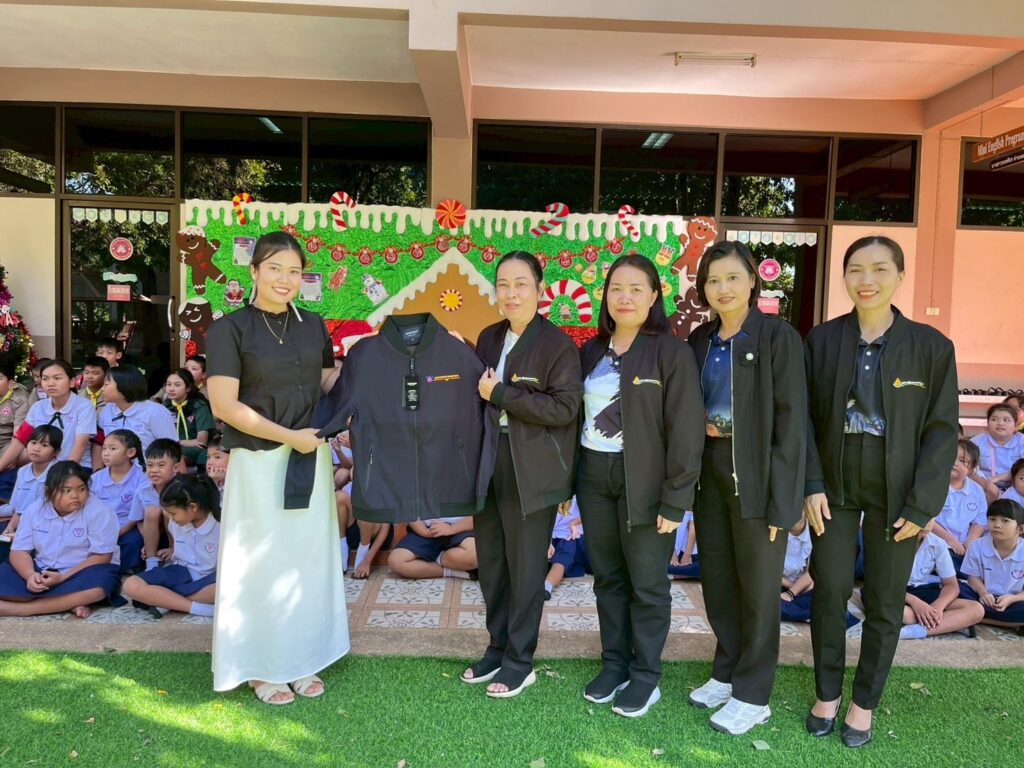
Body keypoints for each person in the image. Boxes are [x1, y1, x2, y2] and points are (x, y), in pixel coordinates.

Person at [803, 235, 958, 748]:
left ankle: (863, 703)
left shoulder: (931, 347)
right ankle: (827, 694)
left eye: (879, 269)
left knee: (885, 599)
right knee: (829, 589)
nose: (866, 280)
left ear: (900, 276)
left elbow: (941, 431)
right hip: (834, 482)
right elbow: (804, 420)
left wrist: (923, 503)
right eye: (855, 269)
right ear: (844, 276)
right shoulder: (822, 340)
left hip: (899, 490)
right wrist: (811, 483)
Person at [206, 231, 347, 705]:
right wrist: (289, 437)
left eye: (294, 271)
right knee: (261, 562)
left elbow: (326, 380)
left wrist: (377, 366)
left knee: (305, 560)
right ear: (254, 271)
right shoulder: (229, 329)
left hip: (310, 455)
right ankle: (261, 667)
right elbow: (224, 405)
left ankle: (303, 657)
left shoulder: (313, 325)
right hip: (260, 461)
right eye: (274, 269)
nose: (285, 279)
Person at [686, 241, 807, 734]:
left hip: (758, 473)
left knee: (758, 589)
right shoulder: (700, 339)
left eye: (732, 277)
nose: (723, 288)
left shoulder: (777, 336)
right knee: (717, 579)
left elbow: (792, 422)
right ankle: (727, 671)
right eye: (713, 280)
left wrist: (785, 501)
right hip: (710, 470)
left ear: (752, 281)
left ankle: (754, 695)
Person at [577, 253, 703, 719]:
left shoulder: (671, 352)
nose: (624, 297)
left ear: (653, 297)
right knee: (608, 578)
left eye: (635, 289)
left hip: (647, 483)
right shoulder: (591, 351)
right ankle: (614, 665)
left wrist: (676, 498)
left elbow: (687, 430)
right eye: (616, 288)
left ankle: (645, 675)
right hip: (594, 476)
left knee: (647, 583)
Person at [464, 251, 583, 699]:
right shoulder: (489, 336)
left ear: (539, 289)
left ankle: (519, 661)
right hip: (488, 462)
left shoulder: (557, 345)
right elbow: (474, 396)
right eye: (503, 284)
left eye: (520, 284)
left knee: (527, 569)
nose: (510, 293)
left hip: (532, 470)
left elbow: (564, 408)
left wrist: (502, 394)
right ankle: (496, 649)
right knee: (492, 565)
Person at [0, 461, 120, 618]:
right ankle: (68, 603)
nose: (75, 496)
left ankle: (25, 609)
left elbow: (102, 556)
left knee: (100, 586)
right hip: (41, 569)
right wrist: (30, 576)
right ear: (48, 492)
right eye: (67, 491)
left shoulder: (100, 511)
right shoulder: (34, 510)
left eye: (81, 489)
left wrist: (63, 577)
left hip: (82, 571)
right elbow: (19, 551)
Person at [122, 475, 219, 620]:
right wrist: (171, 550)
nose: (170, 518)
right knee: (131, 585)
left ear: (193, 507)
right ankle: (198, 608)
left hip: (210, 579)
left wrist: (157, 594)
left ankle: (165, 600)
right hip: (180, 572)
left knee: (228, 589)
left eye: (173, 513)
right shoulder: (175, 523)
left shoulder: (221, 526)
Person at [0, 360, 95, 473]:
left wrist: (64, 474)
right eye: (45, 379)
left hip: (75, 467)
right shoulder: (37, 407)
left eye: (57, 378)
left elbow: (81, 443)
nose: (50, 383)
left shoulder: (84, 406)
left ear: (72, 382)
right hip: (41, 467)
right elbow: (20, 440)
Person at [899, 528, 983, 639]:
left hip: (922, 590)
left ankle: (914, 631)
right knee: (903, 614)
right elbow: (879, 586)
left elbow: (951, 585)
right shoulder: (889, 541)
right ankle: (945, 623)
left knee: (976, 609)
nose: (925, 525)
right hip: (895, 593)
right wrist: (916, 603)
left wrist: (938, 607)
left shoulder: (937, 543)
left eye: (929, 520)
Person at [94, 365, 177, 467]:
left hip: (149, 472)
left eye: (106, 384)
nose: (102, 389)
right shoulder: (106, 411)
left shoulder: (156, 412)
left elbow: (172, 449)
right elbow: (99, 442)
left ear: (124, 385)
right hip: (116, 472)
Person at [89, 429, 147, 573]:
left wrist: (118, 532)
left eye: (112, 449)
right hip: (99, 528)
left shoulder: (141, 479)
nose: (105, 453)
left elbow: (136, 516)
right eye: (104, 448)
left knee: (133, 541)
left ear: (130, 452)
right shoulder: (95, 479)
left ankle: (124, 570)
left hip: (126, 527)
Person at [961, 499, 1024, 629]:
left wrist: (1011, 599)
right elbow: (973, 578)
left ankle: (975, 617)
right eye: (992, 519)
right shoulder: (977, 545)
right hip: (981, 597)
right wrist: (983, 593)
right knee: (954, 589)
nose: (997, 525)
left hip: (1015, 601)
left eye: (1005, 521)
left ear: (1020, 528)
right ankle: (1011, 623)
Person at [932, 439, 987, 573]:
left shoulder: (977, 490)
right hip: (937, 541)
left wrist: (970, 542)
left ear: (972, 468)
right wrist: (950, 540)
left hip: (964, 546)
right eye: (951, 456)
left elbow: (979, 522)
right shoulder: (933, 485)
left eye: (962, 461)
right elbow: (927, 520)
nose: (955, 462)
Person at [0, 425, 61, 534]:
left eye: (44, 445)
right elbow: (15, 506)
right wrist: (12, 525)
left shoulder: (59, 473)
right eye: (33, 443)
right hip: (21, 522)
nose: (36, 449)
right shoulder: (22, 471)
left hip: (46, 527)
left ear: (56, 452)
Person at [135, 439, 184, 571]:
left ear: (176, 468)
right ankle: (151, 561)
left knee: (168, 511)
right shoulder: (143, 490)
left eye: (161, 465)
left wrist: (174, 547)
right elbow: (138, 520)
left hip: (179, 536)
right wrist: (148, 542)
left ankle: (175, 553)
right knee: (151, 511)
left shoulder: (183, 488)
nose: (154, 470)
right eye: (150, 465)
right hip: (152, 534)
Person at [387, 517, 477, 580]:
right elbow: (410, 508)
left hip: (461, 527)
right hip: (427, 528)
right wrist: (424, 532)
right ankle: (452, 571)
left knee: (475, 555)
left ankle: (435, 557)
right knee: (396, 561)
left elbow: (480, 512)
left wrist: (452, 528)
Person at [162, 368, 216, 468]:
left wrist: (177, 442)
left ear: (188, 388)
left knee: (172, 456)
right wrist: (179, 442)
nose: (171, 389)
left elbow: (201, 441)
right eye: (168, 384)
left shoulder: (199, 406)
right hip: (170, 447)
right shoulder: (165, 407)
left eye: (177, 385)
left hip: (193, 450)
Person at [970, 404, 1024, 503]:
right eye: (994, 419)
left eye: (1006, 420)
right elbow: (970, 469)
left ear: (1016, 426)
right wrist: (986, 484)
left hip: (1017, 487)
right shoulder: (976, 442)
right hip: (986, 486)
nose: (1000, 423)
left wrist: (998, 478)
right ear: (987, 424)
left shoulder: (1022, 441)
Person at [545, 498, 589, 599]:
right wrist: (548, 541)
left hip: (569, 536)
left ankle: (547, 586)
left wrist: (574, 523)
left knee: (562, 559)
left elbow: (589, 513)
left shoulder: (577, 496)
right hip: (550, 536)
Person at [0, 361, 31, 501]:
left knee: (23, 453)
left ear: (11, 383)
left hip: (7, 443)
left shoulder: (19, 401)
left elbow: (18, 434)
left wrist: (11, 456)